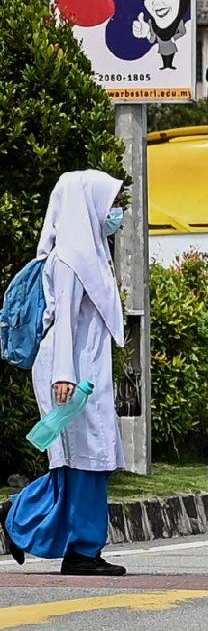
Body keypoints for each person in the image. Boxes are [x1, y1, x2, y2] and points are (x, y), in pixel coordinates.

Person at [1, 170, 127, 576]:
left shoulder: (88, 256)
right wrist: (64, 377)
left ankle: (23, 521)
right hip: (71, 373)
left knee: (84, 461)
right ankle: (80, 550)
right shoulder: (72, 260)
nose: (113, 213)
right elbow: (65, 325)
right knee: (85, 460)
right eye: (107, 205)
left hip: (80, 371)